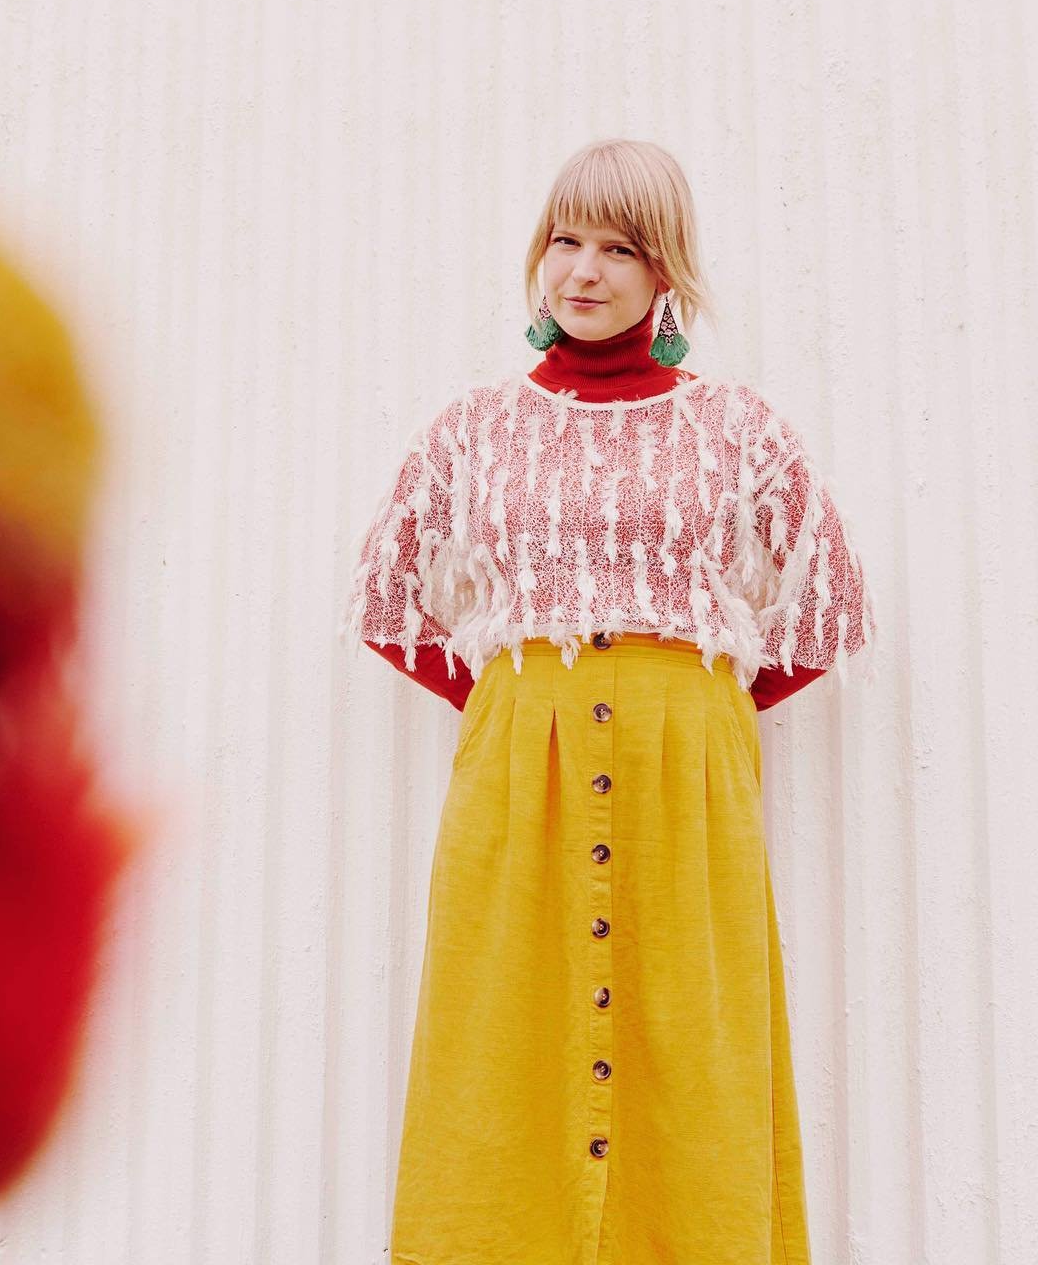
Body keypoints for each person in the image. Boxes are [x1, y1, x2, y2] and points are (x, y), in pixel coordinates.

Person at [337, 137, 876, 1264]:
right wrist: (500, 699)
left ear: (665, 267)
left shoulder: (736, 428)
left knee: (690, 1032)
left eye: (618, 247)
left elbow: (827, 608)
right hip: (517, 762)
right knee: (502, 1036)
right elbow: (389, 600)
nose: (582, 271)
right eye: (564, 241)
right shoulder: (475, 428)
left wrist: (696, 698)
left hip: (685, 768)